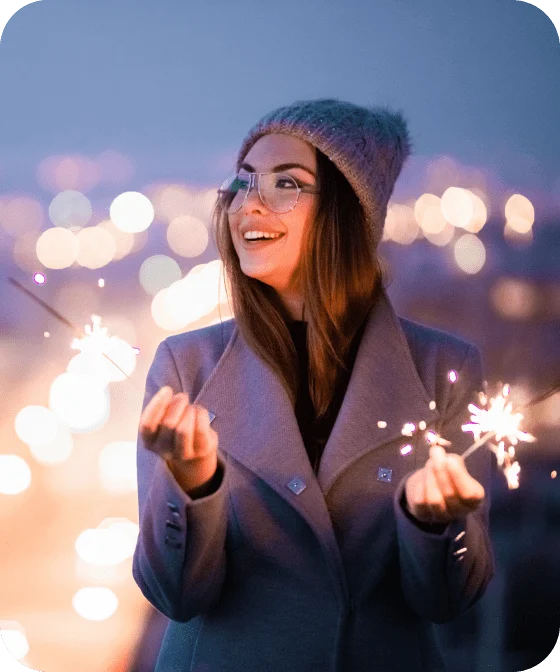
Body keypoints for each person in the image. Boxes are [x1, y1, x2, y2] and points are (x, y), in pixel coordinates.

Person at [132, 98, 495, 672]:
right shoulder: (186, 366)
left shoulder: (443, 369)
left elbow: (449, 602)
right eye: (243, 181)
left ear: (348, 215)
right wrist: (192, 485)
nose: (249, 203)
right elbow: (176, 596)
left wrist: (434, 524)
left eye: (286, 183)